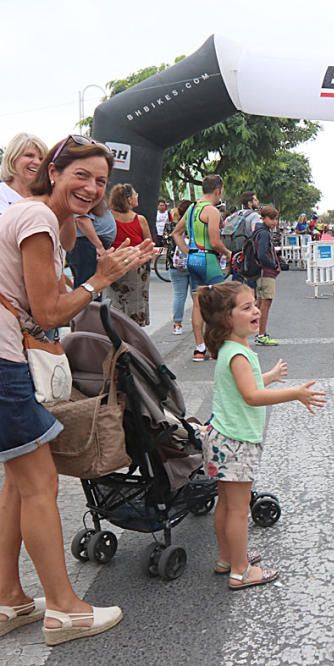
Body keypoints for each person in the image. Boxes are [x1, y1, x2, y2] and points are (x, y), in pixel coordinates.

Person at [0, 134, 154, 644]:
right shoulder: (36, 218)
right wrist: (100, 279)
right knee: (39, 485)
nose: (91, 188)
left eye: (101, 182)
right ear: (53, 170)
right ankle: (65, 610)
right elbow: (49, 311)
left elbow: (64, 248)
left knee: (18, 487)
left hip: (7, 357)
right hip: (4, 364)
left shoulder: (37, 213)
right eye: (80, 176)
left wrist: (74, 209)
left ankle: (8, 599)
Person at [196, 281, 325, 590]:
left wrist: (269, 376)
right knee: (239, 510)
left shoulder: (232, 350)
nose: (256, 311)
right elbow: (252, 396)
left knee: (226, 505)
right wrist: (292, 393)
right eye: (247, 307)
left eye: (255, 305)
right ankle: (241, 571)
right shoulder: (238, 354)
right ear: (227, 319)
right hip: (237, 442)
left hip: (222, 439)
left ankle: (227, 557)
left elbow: (244, 386)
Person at [172, 174, 231, 362]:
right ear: (218, 190)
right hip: (208, 260)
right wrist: (228, 253)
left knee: (198, 303)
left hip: (193, 259)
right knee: (222, 303)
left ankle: (199, 348)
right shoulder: (212, 211)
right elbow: (214, 241)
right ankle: (219, 345)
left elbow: (177, 233)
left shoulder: (191, 208)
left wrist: (188, 251)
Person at [107, 183, 153, 326]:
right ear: (128, 199)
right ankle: (134, 332)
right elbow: (149, 243)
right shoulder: (140, 219)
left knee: (116, 301)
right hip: (137, 267)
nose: (137, 196)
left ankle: (117, 331)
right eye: (135, 194)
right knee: (136, 301)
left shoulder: (108, 218)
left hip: (115, 264)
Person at [67, 193, 117, 289]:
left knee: (92, 283)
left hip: (90, 244)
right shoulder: (83, 197)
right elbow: (81, 220)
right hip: (87, 244)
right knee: (88, 283)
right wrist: (99, 246)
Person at [249, 205, 282, 346]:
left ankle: (258, 332)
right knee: (265, 302)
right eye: (272, 219)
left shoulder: (259, 231)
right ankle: (261, 334)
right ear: (264, 218)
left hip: (260, 272)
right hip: (265, 272)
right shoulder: (263, 233)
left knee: (260, 303)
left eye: (276, 219)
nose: (274, 222)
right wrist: (273, 264)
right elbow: (262, 254)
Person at [0, 134, 47, 216]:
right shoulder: (2, 193)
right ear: (12, 158)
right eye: (29, 155)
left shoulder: (48, 197)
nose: (37, 162)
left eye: (41, 158)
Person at [167, 200, 194, 335]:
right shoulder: (195, 225)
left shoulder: (172, 225)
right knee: (196, 296)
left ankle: (177, 325)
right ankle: (198, 322)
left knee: (179, 295)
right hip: (194, 263)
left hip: (176, 265)